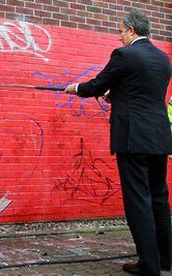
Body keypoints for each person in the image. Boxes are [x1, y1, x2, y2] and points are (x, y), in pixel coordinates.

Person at [65, 9, 172, 275]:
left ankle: (149, 265)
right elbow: (143, 92)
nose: (119, 36)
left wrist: (76, 87)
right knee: (158, 197)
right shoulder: (163, 59)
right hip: (159, 136)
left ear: (132, 31)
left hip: (133, 138)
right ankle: (166, 259)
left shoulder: (124, 55)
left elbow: (97, 86)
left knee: (138, 200)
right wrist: (119, 93)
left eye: (121, 30)